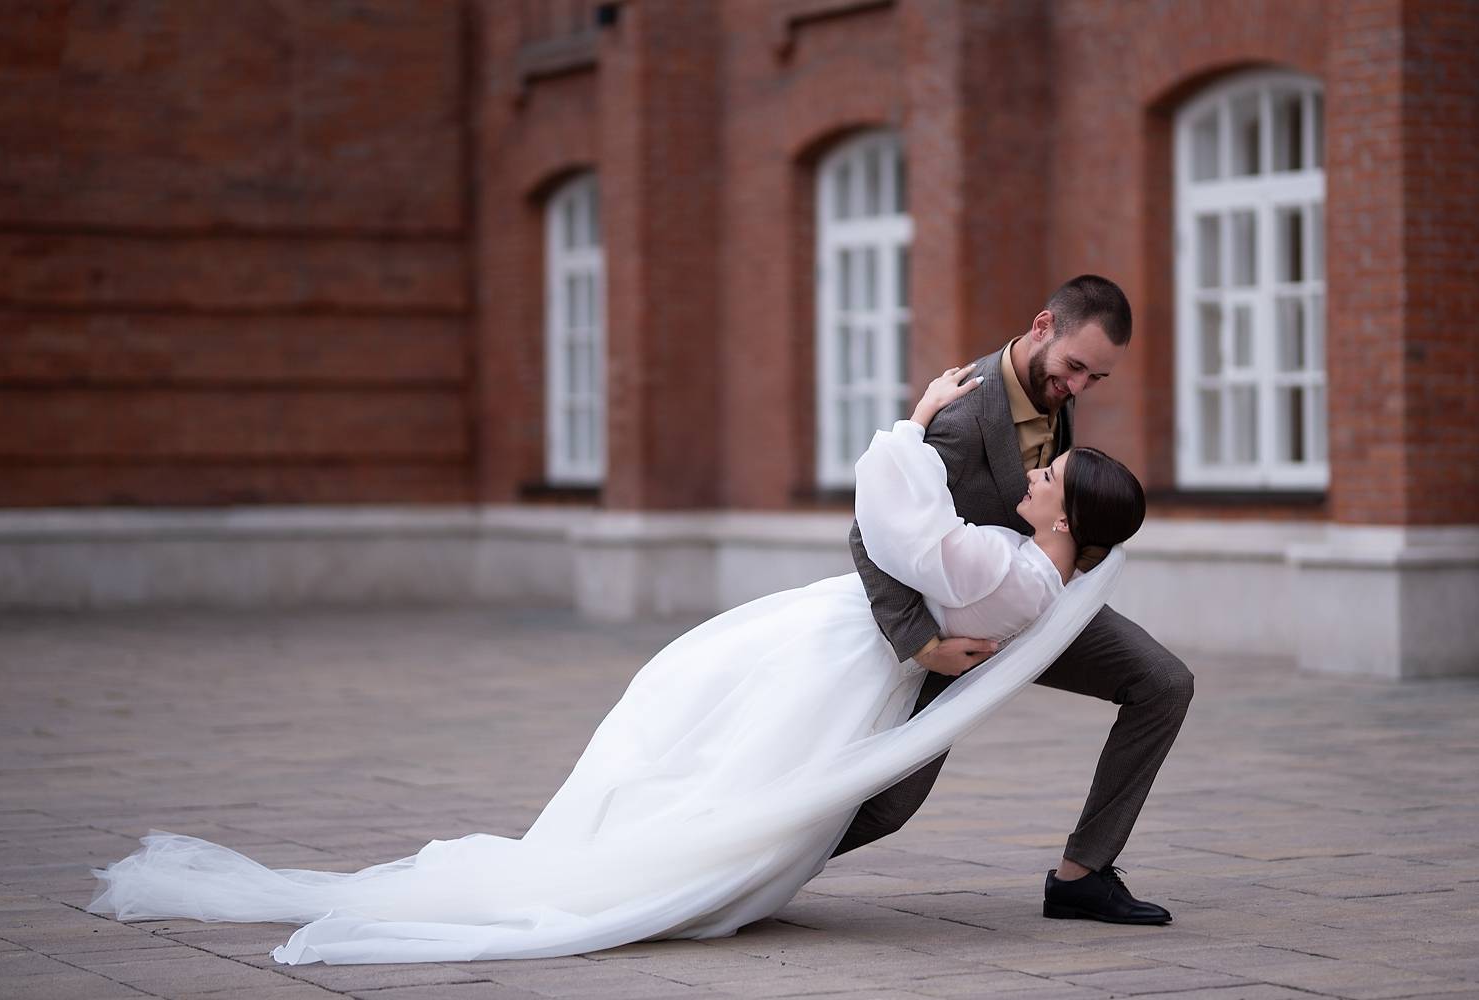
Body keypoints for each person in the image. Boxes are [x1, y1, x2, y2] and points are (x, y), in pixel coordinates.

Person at [88, 364, 1147, 965]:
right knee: (711, 746)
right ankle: (662, 860)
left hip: (839, 656)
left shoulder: (1014, 576)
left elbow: (903, 526)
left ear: (1070, 521)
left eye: (1052, 479)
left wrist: (911, 424)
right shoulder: (1030, 572)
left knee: (713, 750)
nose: (1036, 476)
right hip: (847, 651)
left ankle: (642, 868)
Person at [839, 274, 1193, 926]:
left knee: (1162, 683)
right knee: (888, 806)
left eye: (1096, 378)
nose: (1078, 386)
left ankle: (1083, 876)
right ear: (1041, 327)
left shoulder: (1054, 393)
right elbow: (871, 530)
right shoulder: (964, 412)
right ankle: (748, 870)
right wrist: (923, 645)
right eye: (1074, 367)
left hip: (1033, 601)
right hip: (950, 631)